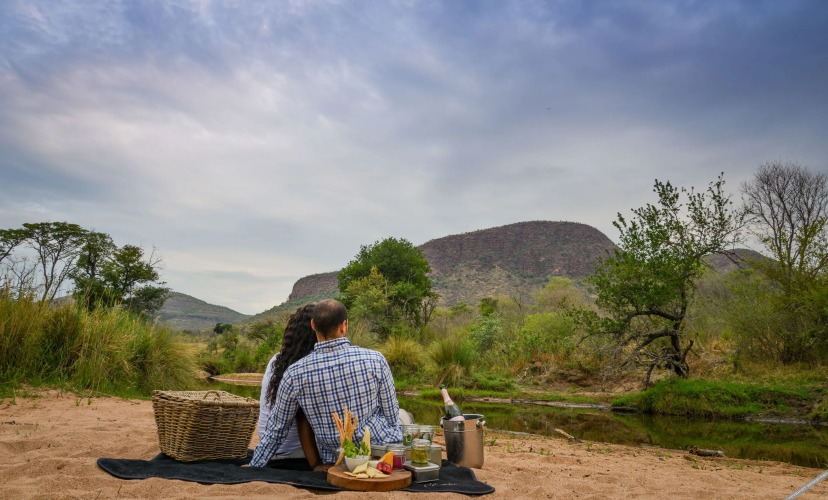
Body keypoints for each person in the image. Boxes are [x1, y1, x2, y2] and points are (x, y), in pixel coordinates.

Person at [250, 299, 403, 468]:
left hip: (335, 459)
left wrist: (254, 467)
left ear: (313, 325)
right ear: (344, 325)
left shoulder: (294, 373)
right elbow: (391, 416)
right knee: (403, 417)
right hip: (378, 454)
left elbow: (275, 431)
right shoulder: (376, 359)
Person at [256, 303, 317, 459]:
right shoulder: (308, 365)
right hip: (295, 453)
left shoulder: (276, 360)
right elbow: (303, 417)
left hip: (268, 446)